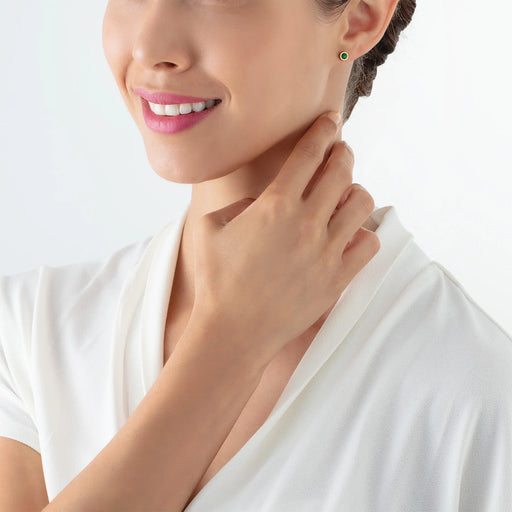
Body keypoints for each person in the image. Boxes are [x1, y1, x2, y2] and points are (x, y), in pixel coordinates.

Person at [1, 0, 511, 511]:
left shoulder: (475, 394)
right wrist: (230, 340)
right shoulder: (29, 335)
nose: (149, 47)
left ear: (361, 18)